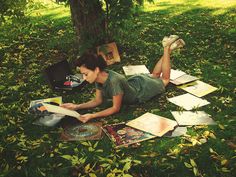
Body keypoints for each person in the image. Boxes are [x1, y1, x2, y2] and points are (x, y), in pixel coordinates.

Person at [61, 35, 185, 123]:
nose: (83, 77)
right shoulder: (99, 78)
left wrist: (92, 115)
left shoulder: (113, 81)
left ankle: (166, 48)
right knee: (155, 75)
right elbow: (97, 101)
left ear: (96, 70)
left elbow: (115, 108)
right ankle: (168, 49)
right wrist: (76, 107)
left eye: (86, 74)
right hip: (137, 82)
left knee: (165, 79)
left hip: (141, 91)